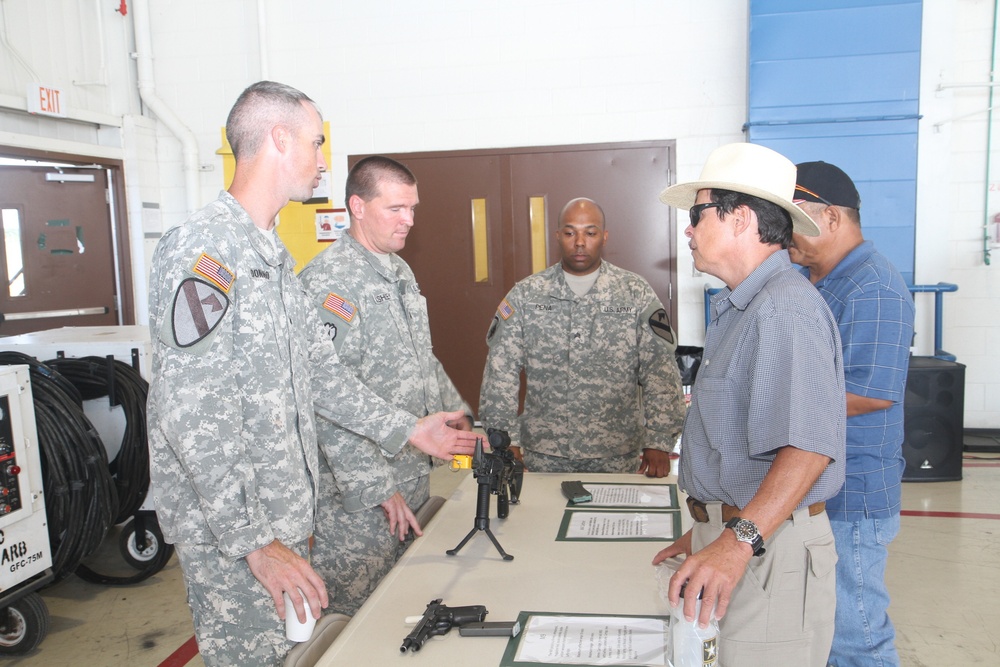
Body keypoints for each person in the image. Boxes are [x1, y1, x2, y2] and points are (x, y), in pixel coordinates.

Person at [146, 81, 476, 666]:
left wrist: (409, 430)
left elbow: (322, 376)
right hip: (235, 537)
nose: (324, 161)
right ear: (278, 139)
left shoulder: (272, 257)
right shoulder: (206, 252)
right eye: (316, 143)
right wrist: (254, 542)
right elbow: (189, 416)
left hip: (281, 520)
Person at [652, 142, 847, 666]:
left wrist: (735, 542)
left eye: (697, 215)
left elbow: (808, 450)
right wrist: (708, 528)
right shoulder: (743, 308)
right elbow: (738, 446)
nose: (688, 230)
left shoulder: (785, 309)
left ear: (740, 219)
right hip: (747, 533)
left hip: (766, 552)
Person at [298, 156, 474, 615]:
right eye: (396, 208)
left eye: (413, 209)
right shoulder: (329, 283)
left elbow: (421, 359)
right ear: (358, 206)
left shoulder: (397, 271)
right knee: (360, 613)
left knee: (404, 606)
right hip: (360, 498)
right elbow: (326, 397)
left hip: (410, 468)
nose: (409, 220)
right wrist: (377, 487)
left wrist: (458, 416)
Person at [790, 161, 914, 667]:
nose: (784, 234)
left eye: (794, 219)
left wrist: (774, 404)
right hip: (817, 481)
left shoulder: (872, 287)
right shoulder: (813, 279)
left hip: (854, 492)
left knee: (856, 632)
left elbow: (870, 392)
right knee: (822, 625)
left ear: (833, 218)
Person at [478, 197, 685, 475]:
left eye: (590, 232)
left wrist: (659, 440)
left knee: (612, 519)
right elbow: (500, 372)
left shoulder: (634, 292)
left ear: (604, 237)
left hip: (617, 452)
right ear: (557, 236)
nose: (579, 242)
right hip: (544, 453)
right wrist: (505, 441)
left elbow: (659, 370)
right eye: (569, 232)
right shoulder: (527, 294)